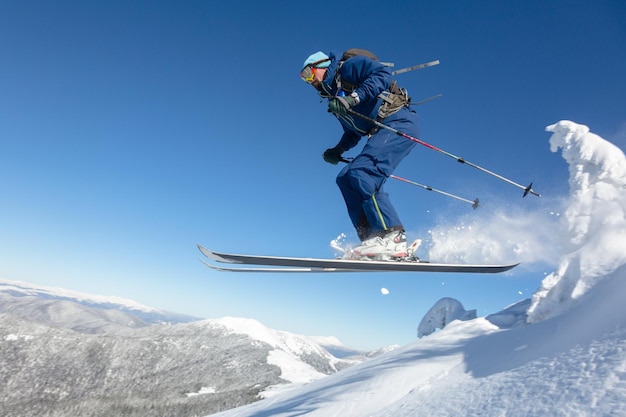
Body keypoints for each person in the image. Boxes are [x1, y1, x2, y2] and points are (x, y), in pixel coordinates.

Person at [300, 50, 420, 260]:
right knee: (345, 178)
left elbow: (382, 75)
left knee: (362, 173)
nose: (309, 80)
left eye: (308, 73)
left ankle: (392, 237)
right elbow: (354, 132)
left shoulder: (347, 68)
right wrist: (338, 150)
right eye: (304, 78)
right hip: (379, 131)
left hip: (397, 123)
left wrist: (353, 98)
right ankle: (372, 240)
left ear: (322, 65)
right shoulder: (335, 98)